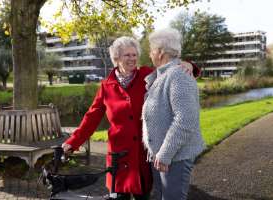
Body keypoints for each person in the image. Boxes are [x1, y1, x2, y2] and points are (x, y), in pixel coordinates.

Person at [62, 36, 200, 200]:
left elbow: (170, 69)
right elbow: (91, 117)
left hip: (143, 153)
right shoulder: (106, 85)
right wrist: (73, 142)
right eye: (127, 55)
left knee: (145, 195)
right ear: (116, 58)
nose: (132, 58)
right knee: (119, 196)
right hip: (119, 156)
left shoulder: (148, 75)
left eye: (135, 55)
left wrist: (189, 65)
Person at [142, 28, 205, 200]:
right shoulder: (162, 74)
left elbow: (186, 120)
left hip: (174, 156)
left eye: (151, 49)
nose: (149, 54)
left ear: (160, 52)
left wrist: (164, 154)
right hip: (161, 155)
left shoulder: (179, 76)